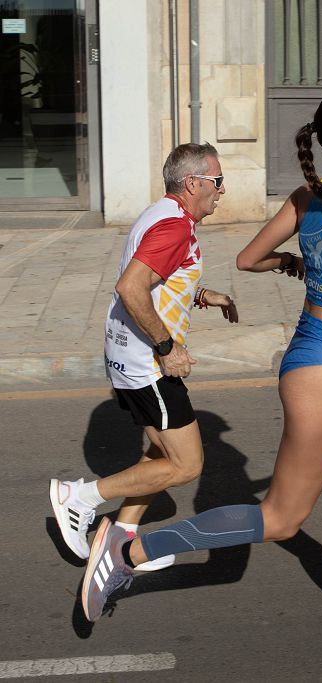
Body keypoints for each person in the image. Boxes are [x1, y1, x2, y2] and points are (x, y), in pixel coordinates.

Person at [79, 86, 322, 673]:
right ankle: (128, 550)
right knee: (281, 519)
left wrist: (297, 263)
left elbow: (248, 259)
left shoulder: (308, 196)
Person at [49, 143, 238, 572]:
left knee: (159, 452)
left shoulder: (162, 213)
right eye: (218, 181)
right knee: (186, 464)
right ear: (193, 183)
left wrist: (206, 296)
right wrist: (168, 348)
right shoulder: (175, 228)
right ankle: (79, 497)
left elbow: (159, 282)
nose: (222, 191)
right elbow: (132, 287)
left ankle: (119, 541)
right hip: (147, 362)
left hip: (126, 352)